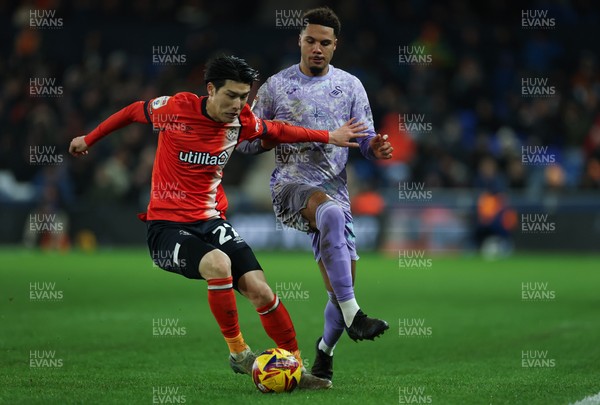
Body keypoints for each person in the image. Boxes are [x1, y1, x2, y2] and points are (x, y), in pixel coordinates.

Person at [68, 55, 367, 389]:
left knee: (261, 290)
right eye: (231, 96)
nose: (238, 104)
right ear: (210, 89)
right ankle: (239, 353)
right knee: (218, 263)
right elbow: (132, 111)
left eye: (244, 96)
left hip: (211, 221)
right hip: (166, 228)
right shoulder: (175, 109)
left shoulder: (242, 121)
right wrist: (88, 138)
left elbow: (280, 130)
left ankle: (295, 366)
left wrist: (330, 136)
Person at [236, 7, 393, 382]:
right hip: (291, 187)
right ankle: (356, 315)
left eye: (325, 42)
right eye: (311, 41)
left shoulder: (351, 86)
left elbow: (365, 138)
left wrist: (377, 148)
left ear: (335, 45)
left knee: (341, 289)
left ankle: (325, 352)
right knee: (333, 217)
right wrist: (276, 133)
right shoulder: (276, 87)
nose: (317, 48)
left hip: (335, 189)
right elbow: (245, 144)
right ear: (300, 41)